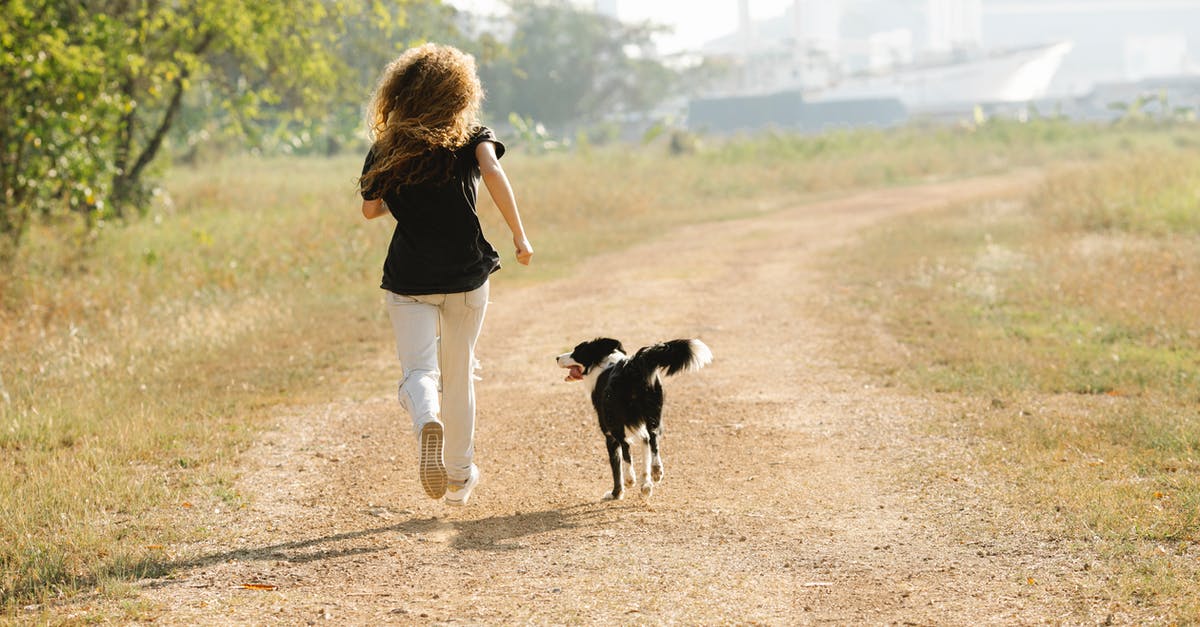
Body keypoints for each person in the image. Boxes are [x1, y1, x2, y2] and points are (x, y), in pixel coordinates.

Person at [358, 43, 532, 506]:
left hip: (409, 277)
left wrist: (399, 189)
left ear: (401, 93)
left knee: (419, 370)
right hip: (466, 275)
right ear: (460, 92)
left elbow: (370, 209)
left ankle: (426, 419)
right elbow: (493, 171)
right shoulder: (472, 136)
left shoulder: (387, 147)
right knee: (459, 373)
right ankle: (459, 474)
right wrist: (519, 236)